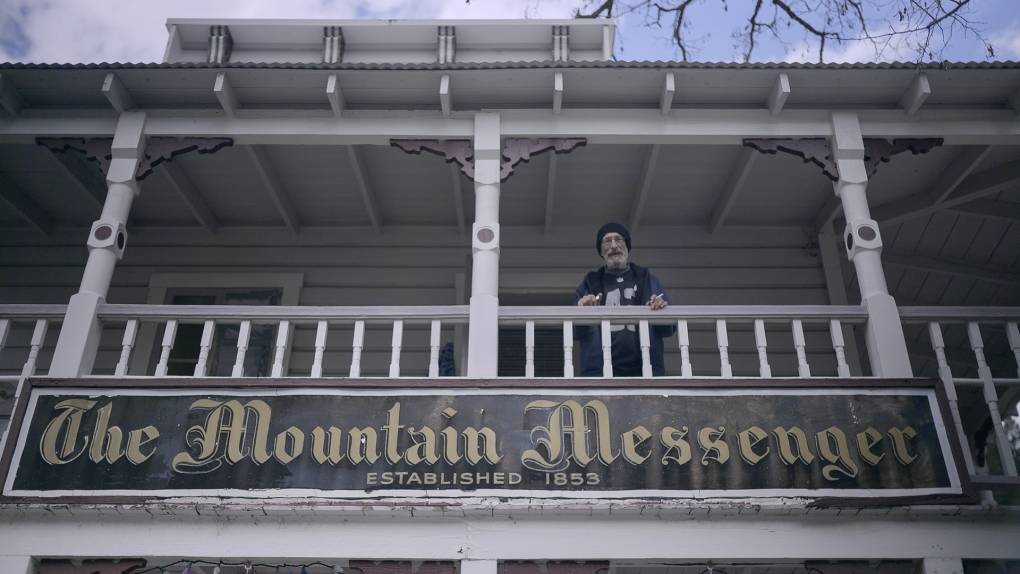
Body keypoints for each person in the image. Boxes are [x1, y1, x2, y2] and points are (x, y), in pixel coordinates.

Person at [575, 222, 674, 376]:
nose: (614, 246)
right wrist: (581, 312)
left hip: (646, 371)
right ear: (601, 251)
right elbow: (576, 332)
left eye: (619, 239)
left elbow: (669, 329)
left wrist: (661, 308)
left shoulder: (648, 280)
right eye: (607, 241)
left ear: (627, 246)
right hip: (600, 374)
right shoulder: (589, 284)